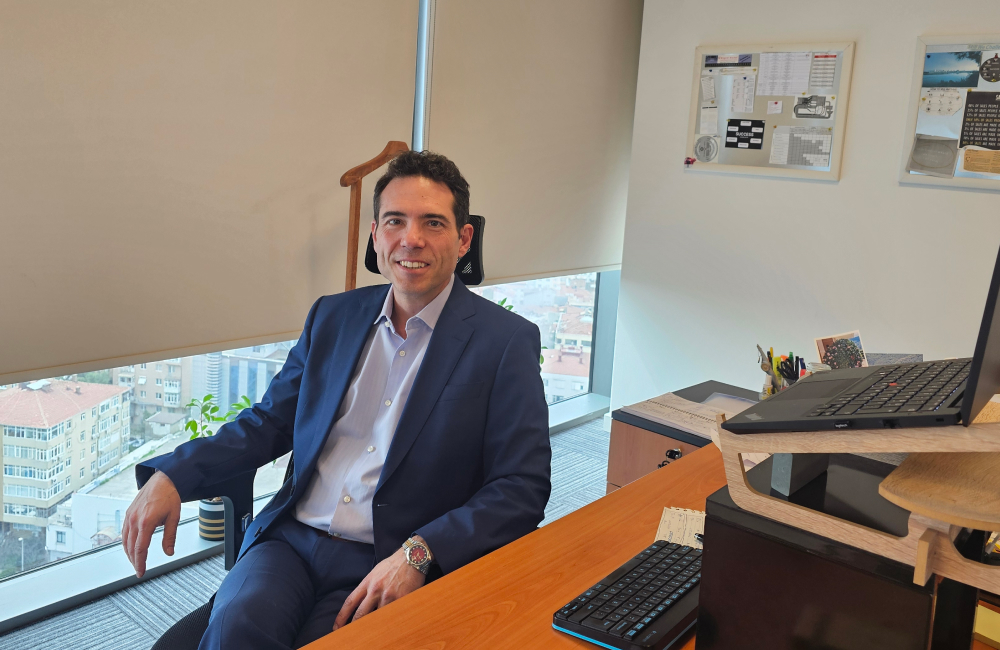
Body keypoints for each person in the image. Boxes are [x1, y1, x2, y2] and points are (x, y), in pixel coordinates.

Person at [121, 151, 552, 649]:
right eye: (395, 221)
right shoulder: (332, 317)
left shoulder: (504, 341)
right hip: (291, 541)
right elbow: (268, 422)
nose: (411, 239)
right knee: (239, 629)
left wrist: (419, 554)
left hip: (389, 554)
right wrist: (173, 474)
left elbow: (521, 485)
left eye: (432, 222)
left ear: (463, 238)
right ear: (375, 235)